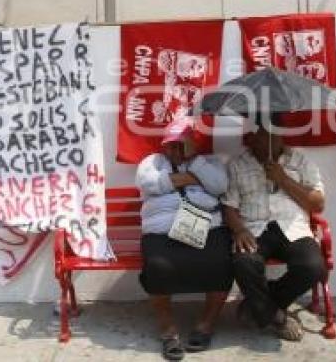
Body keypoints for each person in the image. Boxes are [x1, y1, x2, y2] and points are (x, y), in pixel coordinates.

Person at [222, 113, 326, 342]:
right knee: (244, 262)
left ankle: (257, 304)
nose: (263, 141)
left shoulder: (300, 161)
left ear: (281, 138)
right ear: (252, 136)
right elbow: (229, 206)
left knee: (313, 266)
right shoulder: (237, 165)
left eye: (271, 135)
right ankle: (277, 317)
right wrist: (239, 229)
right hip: (255, 228)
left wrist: (283, 179)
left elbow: (317, 204)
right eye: (260, 134)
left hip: (293, 228)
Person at [137, 120, 232, 360]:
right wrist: (194, 179)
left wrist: (196, 163)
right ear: (164, 145)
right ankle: (168, 331)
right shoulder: (152, 163)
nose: (176, 151)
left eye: (182, 145)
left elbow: (220, 186)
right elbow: (150, 185)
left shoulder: (210, 162)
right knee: (157, 266)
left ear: (192, 145)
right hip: (161, 231)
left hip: (207, 227)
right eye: (171, 145)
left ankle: (206, 325)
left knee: (222, 262)